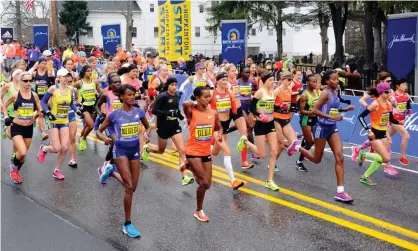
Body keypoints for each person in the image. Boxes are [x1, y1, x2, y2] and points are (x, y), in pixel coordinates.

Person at [288, 70, 354, 202]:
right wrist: (331, 117)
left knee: (340, 157)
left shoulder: (334, 92)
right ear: (327, 81)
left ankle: (340, 192)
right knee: (316, 159)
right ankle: (297, 147)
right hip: (321, 127)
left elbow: (331, 109)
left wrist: (344, 110)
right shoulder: (324, 93)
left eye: (337, 79)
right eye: (334, 79)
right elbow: (314, 110)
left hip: (332, 127)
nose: (337, 81)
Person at [96, 84, 149, 237]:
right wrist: (106, 139)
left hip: (134, 151)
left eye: (134, 94)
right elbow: (99, 130)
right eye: (129, 95)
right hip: (120, 151)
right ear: (121, 97)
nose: (132, 97)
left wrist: (145, 137)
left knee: (133, 187)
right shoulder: (114, 115)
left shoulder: (139, 112)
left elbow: (147, 126)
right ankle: (127, 224)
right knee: (129, 187)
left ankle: (111, 172)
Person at [141, 77, 194, 186]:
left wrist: (180, 115)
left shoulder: (177, 96)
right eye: (172, 85)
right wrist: (168, 113)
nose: (174, 87)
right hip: (163, 126)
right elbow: (154, 110)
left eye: (175, 85)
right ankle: (148, 149)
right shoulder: (162, 96)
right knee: (161, 150)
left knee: (182, 150)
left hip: (174, 126)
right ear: (168, 85)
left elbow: (176, 109)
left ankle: (184, 176)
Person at [183, 87, 222, 222]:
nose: (208, 99)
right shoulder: (191, 112)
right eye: (205, 97)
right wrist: (194, 103)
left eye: (209, 96)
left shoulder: (214, 113)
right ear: (198, 98)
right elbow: (184, 104)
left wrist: (220, 135)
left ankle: (189, 166)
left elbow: (218, 127)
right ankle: (199, 210)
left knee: (207, 185)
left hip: (206, 151)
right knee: (204, 183)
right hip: (193, 151)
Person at [37, 69, 81, 180]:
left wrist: (77, 111)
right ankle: (44, 149)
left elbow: (71, 103)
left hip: (64, 121)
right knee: (56, 148)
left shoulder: (70, 90)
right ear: (59, 78)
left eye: (68, 76)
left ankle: (57, 170)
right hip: (54, 122)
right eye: (64, 76)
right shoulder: (53, 89)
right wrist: (48, 112)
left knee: (65, 148)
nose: (67, 78)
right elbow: (42, 102)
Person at [2, 71, 42, 183]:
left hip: (29, 129)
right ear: (20, 82)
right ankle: (13, 170)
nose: (28, 83)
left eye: (30, 80)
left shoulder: (34, 95)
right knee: (22, 152)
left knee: (22, 157)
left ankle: (15, 171)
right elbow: (4, 106)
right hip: (17, 127)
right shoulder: (16, 95)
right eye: (25, 81)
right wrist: (6, 117)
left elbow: (39, 109)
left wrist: (35, 115)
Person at [356, 82, 397, 186]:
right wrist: (368, 130)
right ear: (382, 93)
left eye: (390, 91)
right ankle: (363, 154)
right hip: (374, 133)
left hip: (383, 133)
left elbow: (391, 119)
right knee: (386, 158)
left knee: (380, 159)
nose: (389, 94)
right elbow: (360, 117)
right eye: (387, 92)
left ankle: (365, 177)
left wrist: (399, 123)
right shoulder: (375, 104)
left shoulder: (388, 104)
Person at [249, 72, 279, 191]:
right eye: (270, 80)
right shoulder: (260, 92)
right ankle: (245, 141)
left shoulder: (272, 92)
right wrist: (259, 115)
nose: (273, 82)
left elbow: (270, 106)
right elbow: (251, 108)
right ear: (264, 81)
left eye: (273, 80)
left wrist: (279, 108)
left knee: (274, 151)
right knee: (262, 155)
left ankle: (269, 180)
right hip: (261, 124)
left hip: (271, 124)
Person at [273, 72, 299, 172]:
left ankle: (288, 150)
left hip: (286, 119)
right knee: (280, 144)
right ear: (283, 79)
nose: (290, 82)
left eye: (291, 80)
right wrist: (278, 106)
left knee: (295, 142)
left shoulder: (289, 90)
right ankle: (272, 163)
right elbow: (268, 104)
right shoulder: (277, 91)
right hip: (276, 119)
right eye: (289, 80)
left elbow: (295, 93)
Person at [74, 65, 102, 151]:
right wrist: (76, 100)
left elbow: (100, 92)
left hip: (93, 106)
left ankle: (80, 139)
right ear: (84, 72)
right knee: (91, 125)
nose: (90, 72)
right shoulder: (79, 83)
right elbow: (71, 90)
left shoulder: (95, 82)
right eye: (88, 71)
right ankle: (84, 138)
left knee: (87, 126)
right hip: (84, 107)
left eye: (91, 71)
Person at [296, 74, 320, 171]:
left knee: (316, 140)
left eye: (316, 82)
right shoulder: (304, 95)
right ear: (307, 83)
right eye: (313, 82)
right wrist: (312, 112)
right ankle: (299, 162)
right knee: (310, 143)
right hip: (306, 119)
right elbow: (301, 111)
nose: (315, 84)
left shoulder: (316, 93)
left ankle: (303, 140)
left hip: (315, 119)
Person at [387, 79, 411, 165]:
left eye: (406, 85)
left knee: (386, 136)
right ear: (397, 85)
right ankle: (402, 157)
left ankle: (367, 147)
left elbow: (408, 104)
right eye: (403, 85)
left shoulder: (406, 95)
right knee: (406, 136)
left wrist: (409, 109)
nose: (405, 87)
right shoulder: (392, 95)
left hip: (402, 119)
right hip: (394, 120)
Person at [32, 58, 53, 140]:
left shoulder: (48, 73)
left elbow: (53, 80)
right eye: (42, 63)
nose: (44, 65)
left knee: (43, 112)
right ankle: (43, 133)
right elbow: (27, 81)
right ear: (39, 64)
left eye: (45, 63)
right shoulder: (34, 74)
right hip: (38, 97)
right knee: (41, 114)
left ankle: (34, 118)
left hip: (47, 97)